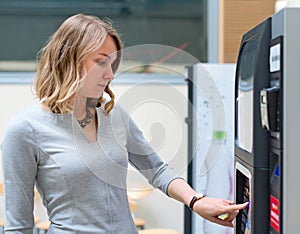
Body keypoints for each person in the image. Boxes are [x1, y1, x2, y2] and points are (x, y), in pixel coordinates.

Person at [1, 13, 248, 233]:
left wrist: (196, 201)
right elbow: (19, 227)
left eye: (112, 63)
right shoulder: (25, 130)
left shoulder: (113, 115)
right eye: (100, 62)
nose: (110, 74)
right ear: (69, 59)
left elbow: (157, 170)